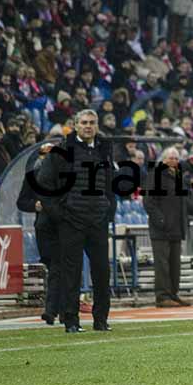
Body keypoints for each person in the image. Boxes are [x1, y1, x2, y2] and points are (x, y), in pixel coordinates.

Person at [37, 110, 116, 333]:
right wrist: (59, 215)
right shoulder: (61, 151)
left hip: (98, 220)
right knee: (71, 273)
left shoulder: (104, 151)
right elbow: (44, 186)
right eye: (84, 123)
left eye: (92, 123)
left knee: (102, 272)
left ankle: (101, 320)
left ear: (97, 125)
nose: (88, 126)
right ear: (75, 125)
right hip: (71, 221)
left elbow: (110, 186)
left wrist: (108, 210)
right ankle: (71, 321)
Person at [17, 143, 62, 325]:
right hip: (44, 226)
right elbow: (22, 202)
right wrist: (34, 205)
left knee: (58, 268)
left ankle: (52, 310)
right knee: (53, 267)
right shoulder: (32, 177)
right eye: (44, 155)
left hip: (62, 225)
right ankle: (60, 308)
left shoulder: (64, 177)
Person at [144, 147, 192, 308]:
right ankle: (162, 296)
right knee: (162, 264)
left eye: (176, 159)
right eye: (171, 158)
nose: (174, 161)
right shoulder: (155, 176)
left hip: (176, 228)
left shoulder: (177, 177)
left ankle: (172, 293)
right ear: (163, 160)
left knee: (174, 264)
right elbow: (149, 202)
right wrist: (161, 221)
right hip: (162, 229)